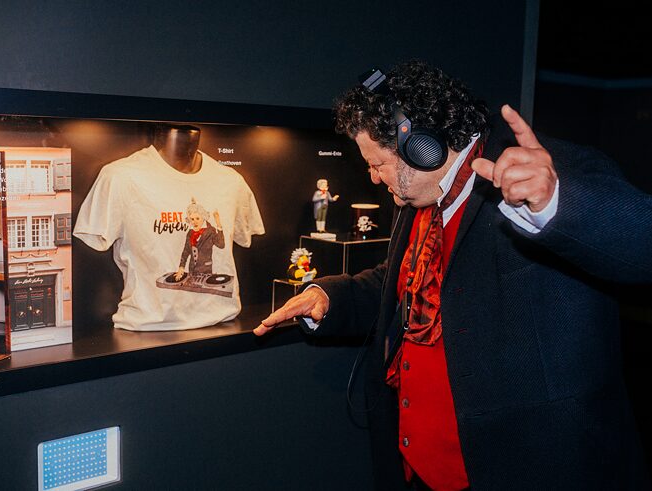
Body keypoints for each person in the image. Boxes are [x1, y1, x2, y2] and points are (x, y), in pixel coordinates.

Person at [254, 60, 652, 490]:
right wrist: (330, 298)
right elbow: (403, 283)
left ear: (419, 147)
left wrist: (555, 203)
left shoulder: (548, 174)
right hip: (419, 466)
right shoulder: (420, 198)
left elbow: (641, 246)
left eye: (378, 163)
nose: (373, 177)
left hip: (526, 466)